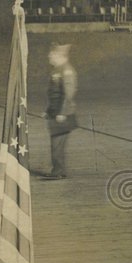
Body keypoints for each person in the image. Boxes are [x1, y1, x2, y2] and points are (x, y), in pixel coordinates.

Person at [44, 43, 77, 179]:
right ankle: (59, 171)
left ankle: (57, 172)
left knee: (57, 144)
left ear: (60, 56)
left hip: (64, 114)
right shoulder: (57, 70)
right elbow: (54, 94)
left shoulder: (67, 71)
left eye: (52, 54)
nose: (49, 57)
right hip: (56, 113)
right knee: (56, 143)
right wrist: (49, 111)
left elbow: (68, 93)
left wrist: (62, 113)